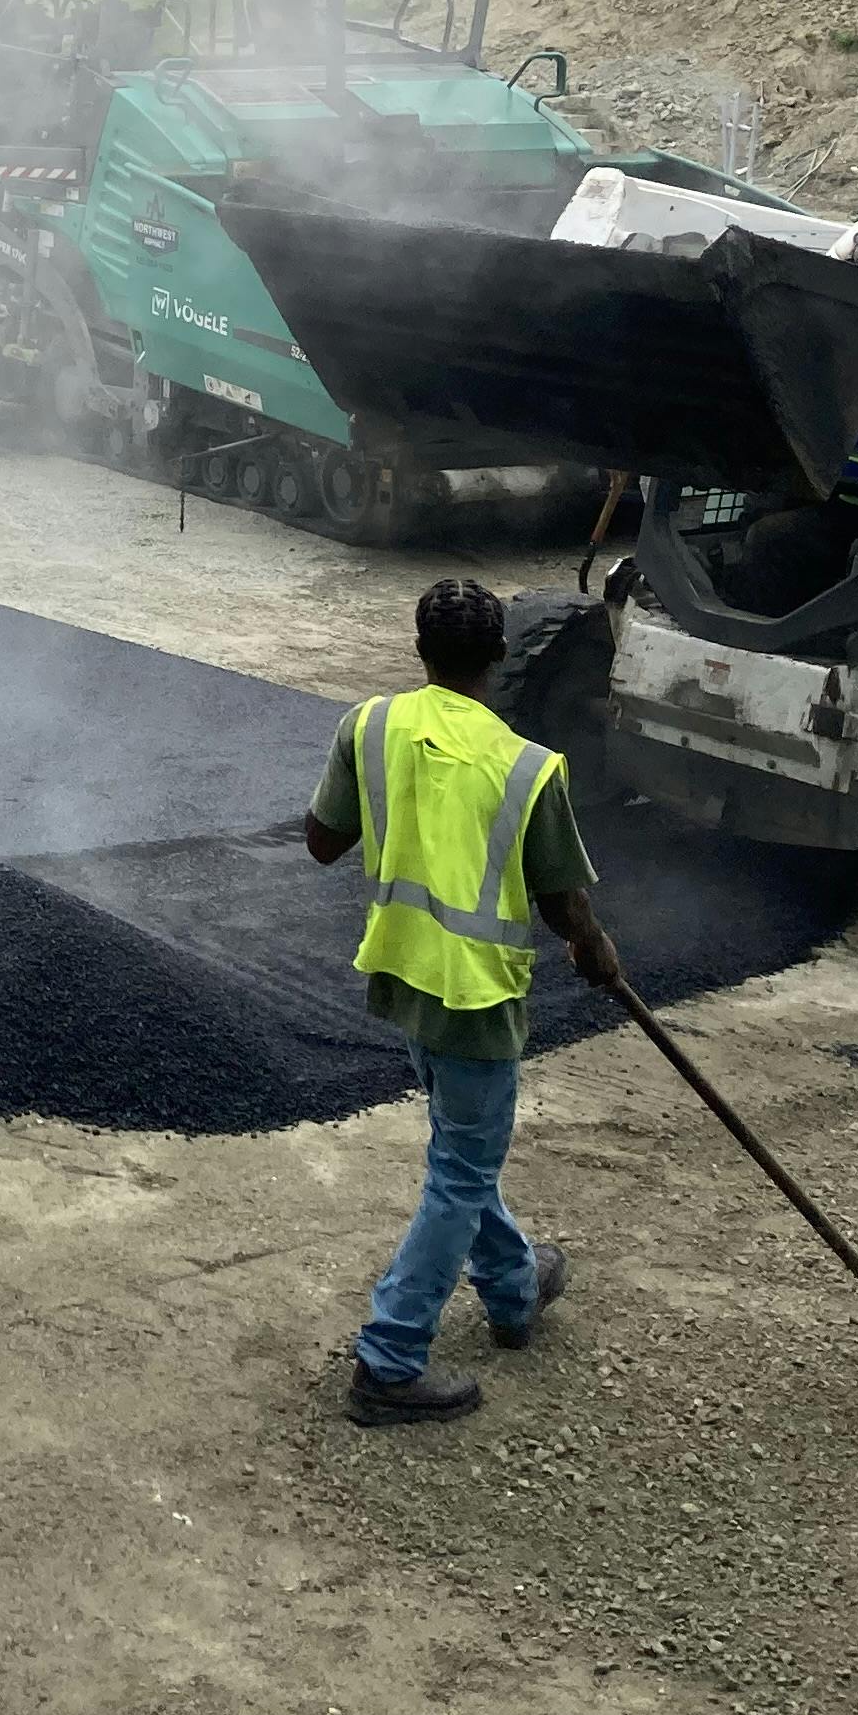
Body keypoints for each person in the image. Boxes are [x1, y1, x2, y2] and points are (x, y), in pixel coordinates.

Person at [304, 576, 624, 1427]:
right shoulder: (525, 766)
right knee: (459, 1174)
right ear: (499, 655)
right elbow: (565, 900)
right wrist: (596, 950)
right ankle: (390, 1357)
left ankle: (516, 1290)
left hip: (400, 975)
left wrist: (400, 803)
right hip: (476, 997)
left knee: (460, 1156)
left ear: (420, 653)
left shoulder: (369, 725)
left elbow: (322, 842)